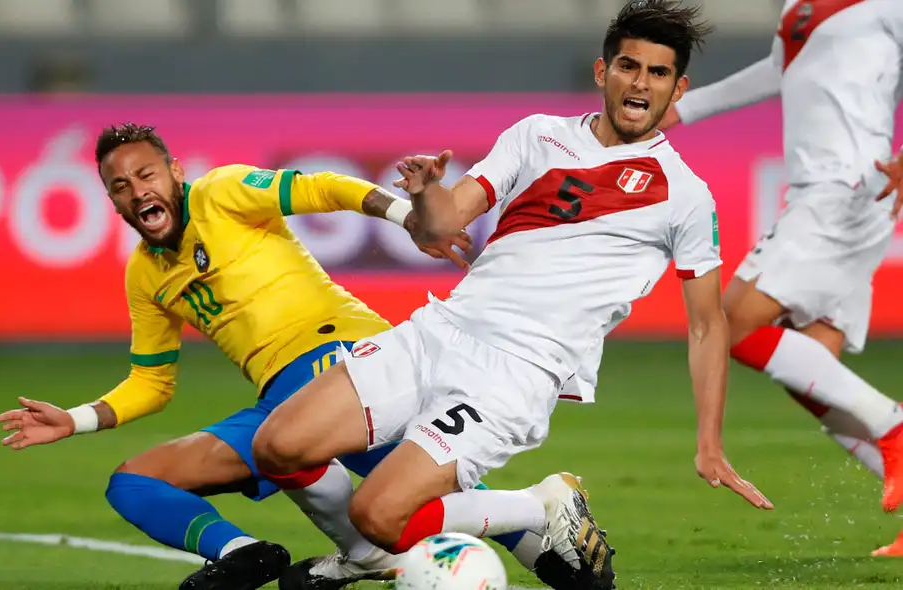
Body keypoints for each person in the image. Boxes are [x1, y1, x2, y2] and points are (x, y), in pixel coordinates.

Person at [252, 2, 773, 590]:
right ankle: (372, 554)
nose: (640, 83)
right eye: (629, 66)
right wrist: (427, 193)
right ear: (604, 72)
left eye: (657, 73)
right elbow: (440, 227)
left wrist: (710, 443)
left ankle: (535, 507)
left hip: (514, 373)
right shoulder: (537, 135)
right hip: (440, 331)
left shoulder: (685, 195)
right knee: (278, 445)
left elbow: (706, 325)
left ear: (677, 89)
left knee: (380, 512)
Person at [0, 123, 554, 590]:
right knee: (134, 483)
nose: (137, 191)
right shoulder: (144, 275)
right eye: (120, 185)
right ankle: (244, 555)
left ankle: (534, 523)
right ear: (112, 199)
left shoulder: (224, 192)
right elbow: (152, 384)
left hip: (345, 358)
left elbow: (325, 189)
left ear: (174, 173)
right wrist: (76, 419)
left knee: (401, 480)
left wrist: (406, 217)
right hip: (279, 403)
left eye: (146, 174)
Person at [659, 0, 903, 556]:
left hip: (841, 193)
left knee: (729, 325)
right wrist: (686, 108)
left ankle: (895, 426)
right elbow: (778, 71)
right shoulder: (799, 8)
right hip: (831, 196)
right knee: (816, 375)